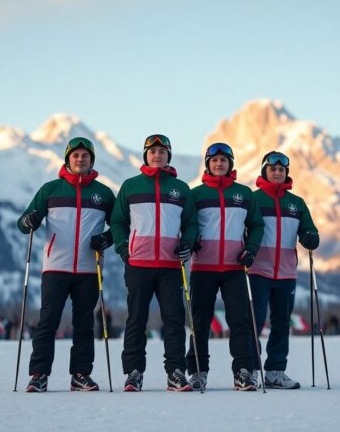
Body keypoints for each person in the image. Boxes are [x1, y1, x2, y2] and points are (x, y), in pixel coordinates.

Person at [18, 137, 116, 393]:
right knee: (47, 321)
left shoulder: (103, 193)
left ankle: (81, 374)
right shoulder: (51, 190)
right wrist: (28, 221)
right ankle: (38, 374)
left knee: (84, 323)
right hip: (55, 267)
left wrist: (107, 237)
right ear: (68, 160)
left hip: (88, 268)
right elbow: (24, 222)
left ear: (91, 160)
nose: (80, 159)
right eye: (76, 156)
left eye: (85, 156)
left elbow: (120, 225)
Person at [111, 134, 198, 392]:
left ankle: (175, 372)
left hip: (171, 266)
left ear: (168, 156)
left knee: (174, 319)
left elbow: (191, 223)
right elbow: (117, 222)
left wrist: (188, 242)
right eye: (152, 151)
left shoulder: (181, 189)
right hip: (138, 264)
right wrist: (122, 247)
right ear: (145, 156)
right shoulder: (130, 186)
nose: (157, 155)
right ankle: (134, 373)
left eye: (162, 151)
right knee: (136, 319)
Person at [185, 142, 264, 391]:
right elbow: (186, 224)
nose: (219, 164)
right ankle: (198, 371)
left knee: (240, 321)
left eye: (224, 160)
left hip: (234, 268)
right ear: (207, 164)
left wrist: (250, 249)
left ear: (231, 164)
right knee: (199, 322)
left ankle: (243, 371)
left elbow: (257, 225)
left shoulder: (244, 194)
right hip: (203, 268)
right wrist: (192, 241)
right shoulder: (195, 194)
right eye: (214, 160)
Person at [249, 151, 319, 389]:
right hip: (258, 271)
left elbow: (309, 229)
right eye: (272, 169)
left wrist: (311, 237)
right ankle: (249, 369)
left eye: (281, 169)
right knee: (254, 322)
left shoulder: (296, 203)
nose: (277, 172)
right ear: (264, 172)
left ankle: (275, 371)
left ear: (286, 173)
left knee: (281, 323)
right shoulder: (253, 199)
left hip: (286, 273)